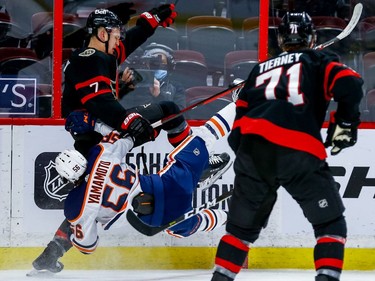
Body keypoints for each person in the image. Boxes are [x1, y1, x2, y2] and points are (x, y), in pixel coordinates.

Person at [210, 12, 363, 281]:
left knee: (239, 233)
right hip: (298, 148)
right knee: (330, 224)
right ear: (311, 37)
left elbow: (238, 125)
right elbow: (350, 82)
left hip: (252, 150)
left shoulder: (259, 69)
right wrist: (345, 122)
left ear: (280, 39)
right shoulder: (317, 60)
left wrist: (250, 164)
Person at [33, 101, 235, 271]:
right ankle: (241, 101)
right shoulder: (100, 154)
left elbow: (88, 247)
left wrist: (91, 218)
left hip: (153, 217)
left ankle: (228, 218)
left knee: (185, 226)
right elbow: (124, 136)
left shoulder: (75, 205)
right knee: (204, 136)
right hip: (168, 182)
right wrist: (94, 123)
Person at [120, 43, 186, 110]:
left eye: (162, 62)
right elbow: (123, 110)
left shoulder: (176, 87)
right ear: (145, 64)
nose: (157, 65)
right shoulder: (135, 84)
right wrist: (125, 88)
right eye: (152, 63)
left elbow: (179, 114)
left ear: (168, 65)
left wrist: (158, 97)